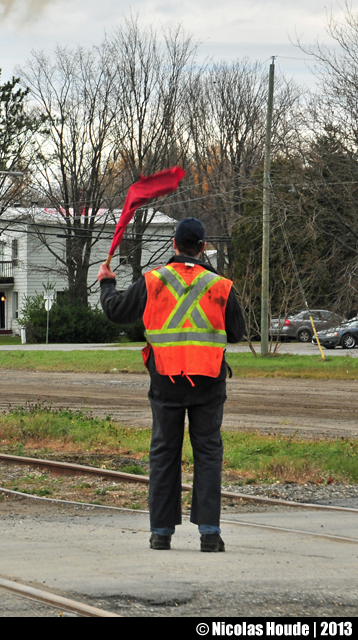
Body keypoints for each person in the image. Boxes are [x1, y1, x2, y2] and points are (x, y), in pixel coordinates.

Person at [98, 217, 246, 553]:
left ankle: (161, 533)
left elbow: (117, 311)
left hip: (165, 381)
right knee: (208, 453)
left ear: (174, 245)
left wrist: (107, 283)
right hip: (209, 383)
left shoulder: (154, 281)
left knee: (164, 453)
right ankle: (210, 533)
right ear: (203, 247)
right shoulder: (220, 285)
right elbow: (236, 332)